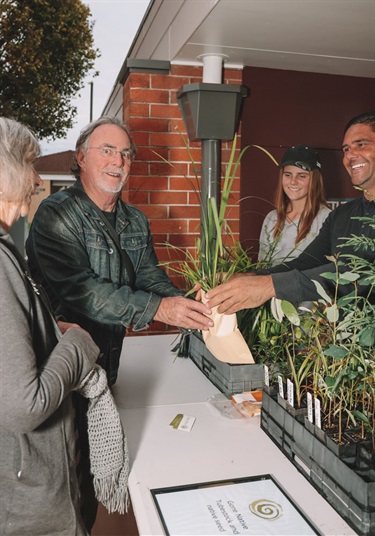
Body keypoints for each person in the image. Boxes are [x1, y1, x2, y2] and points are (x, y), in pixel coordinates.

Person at [27, 116, 213, 386]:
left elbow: (149, 276)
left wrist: (186, 306)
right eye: (107, 150)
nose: (118, 161)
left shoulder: (135, 219)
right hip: (61, 368)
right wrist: (159, 309)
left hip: (109, 362)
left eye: (125, 153)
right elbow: (81, 290)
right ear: (80, 157)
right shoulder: (56, 213)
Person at [0, 117, 100, 535]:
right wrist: (76, 343)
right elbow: (25, 406)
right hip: (31, 508)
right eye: (30, 165)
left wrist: (46, 331)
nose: (38, 180)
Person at [206, 111, 375, 313]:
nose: (349, 155)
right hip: (344, 340)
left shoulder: (324, 214)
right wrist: (250, 277)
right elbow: (307, 262)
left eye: (361, 144)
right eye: (346, 149)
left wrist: (269, 286)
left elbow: (358, 272)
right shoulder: (340, 215)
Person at [258, 145, 331, 266]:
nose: (293, 181)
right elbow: (262, 265)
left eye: (302, 176)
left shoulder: (326, 218)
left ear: (315, 179)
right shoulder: (272, 218)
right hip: (269, 284)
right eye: (288, 175)